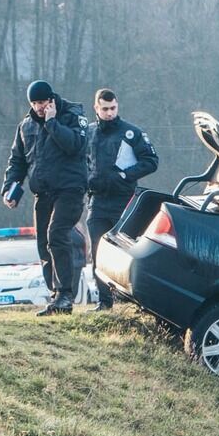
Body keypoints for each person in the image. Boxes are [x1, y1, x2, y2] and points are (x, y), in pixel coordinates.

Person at [1, 79, 88, 316]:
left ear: (51, 100)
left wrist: (52, 123)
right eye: (35, 103)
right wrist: (10, 187)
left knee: (57, 234)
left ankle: (65, 295)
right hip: (43, 192)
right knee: (43, 244)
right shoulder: (26, 126)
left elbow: (76, 146)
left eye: (43, 102)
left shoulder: (72, 116)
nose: (39, 107)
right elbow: (18, 161)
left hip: (70, 189)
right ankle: (55, 295)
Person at [85, 88, 158, 311]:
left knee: (126, 251)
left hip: (123, 199)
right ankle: (104, 302)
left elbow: (151, 161)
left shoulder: (131, 133)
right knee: (98, 251)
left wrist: (125, 175)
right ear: (96, 108)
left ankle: (134, 300)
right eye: (105, 109)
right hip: (97, 201)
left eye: (113, 108)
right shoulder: (88, 133)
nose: (109, 113)